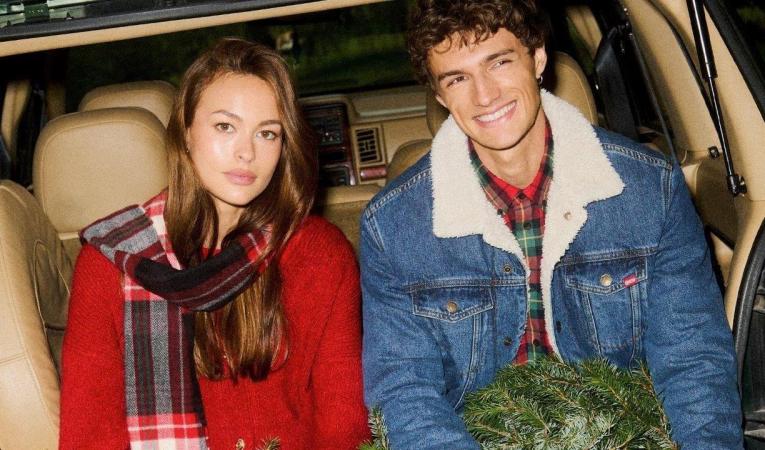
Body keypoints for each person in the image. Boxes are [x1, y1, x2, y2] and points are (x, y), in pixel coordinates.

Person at [360, 1, 743, 448]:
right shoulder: (393, 227)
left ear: (537, 58)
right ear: (440, 96)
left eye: (499, 63)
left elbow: (693, 362)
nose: (485, 95)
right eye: (457, 79)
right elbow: (406, 392)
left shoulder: (647, 190)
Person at [59, 38, 370, 449]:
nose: (246, 152)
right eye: (225, 126)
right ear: (186, 133)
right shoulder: (112, 263)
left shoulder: (320, 255)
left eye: (267, 133)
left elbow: (342, 425)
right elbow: (88, 436)